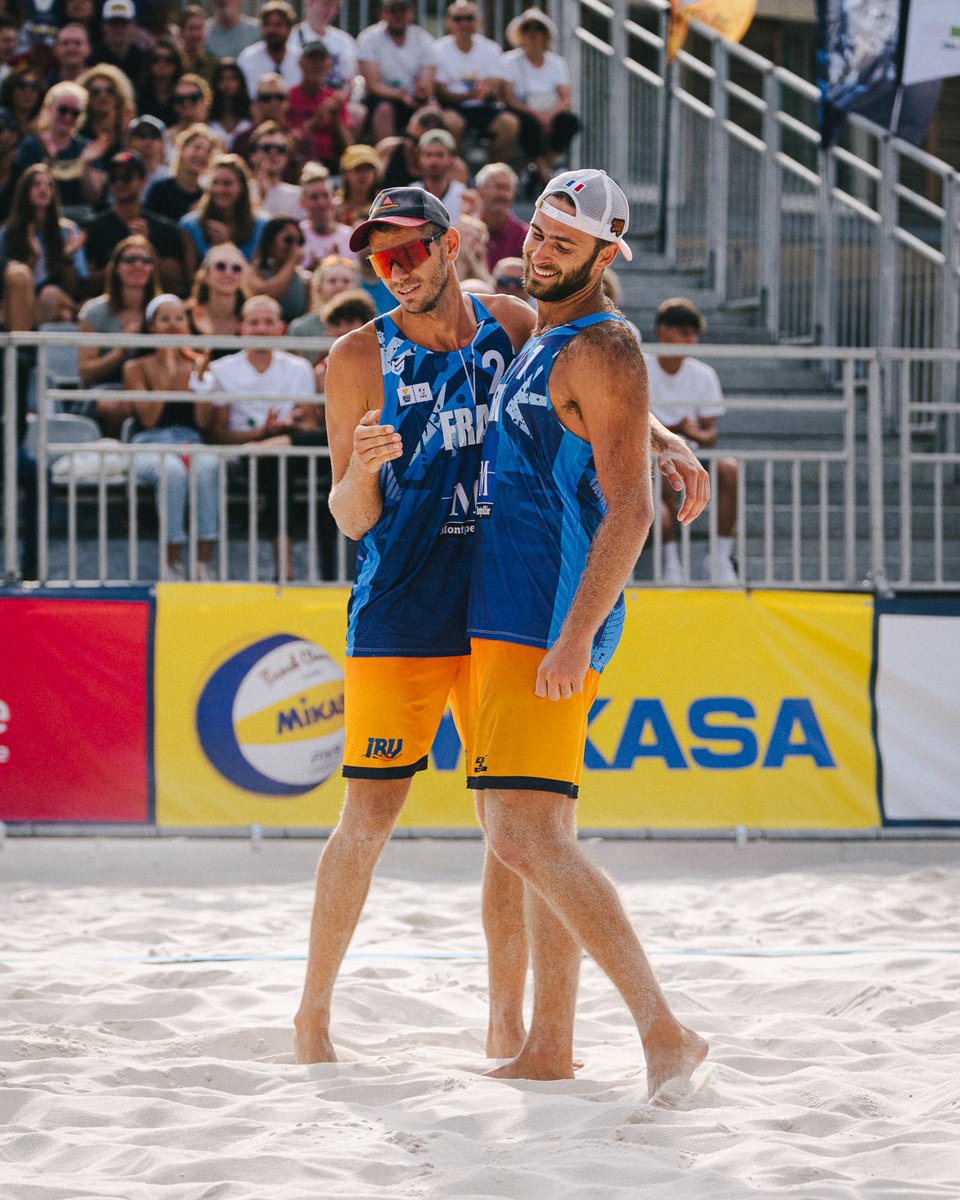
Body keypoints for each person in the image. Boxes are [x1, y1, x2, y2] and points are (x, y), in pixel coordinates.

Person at [292, 184, 710, 1065]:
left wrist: (661, 439)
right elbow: (348, 515)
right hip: (404, 601)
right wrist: (363, 471)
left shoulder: (515, 319)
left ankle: (525, 1032)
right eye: (380, 257)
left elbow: (596, 383)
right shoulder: (356, 357)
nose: (396, 270)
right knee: (377, 819)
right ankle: (312, 1017)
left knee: (515, 834)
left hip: (503, 598)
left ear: (451, 247)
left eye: (410, 250)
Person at [466, 169, 709, 1092]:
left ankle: (665, 1031)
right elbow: (593, 413)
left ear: (608, 257)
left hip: (548, 616)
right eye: (536, 232)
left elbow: (629, 515)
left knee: (528, 835)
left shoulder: (604, 344)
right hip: (508, 608)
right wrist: (661, 431)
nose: (538, 251)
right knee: (523, 832)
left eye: (562, 244)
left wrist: (575, 636)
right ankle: (549, 1046)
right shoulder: (546, 331)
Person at [191, 293, 316, 581]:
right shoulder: (222, 370)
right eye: (254, 322)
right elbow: (217, 434)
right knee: (277, 466)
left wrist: (290, 424)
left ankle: (284, 569)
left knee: (281, 463)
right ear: (241, 327)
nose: (261, 329)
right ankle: (284, 568)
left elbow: (310, 422)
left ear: (281, 328)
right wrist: (260, 434)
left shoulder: (298, 368)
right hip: (242, 455)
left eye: (268, 322)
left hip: (286, 450)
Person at [122, 292, 219, 581]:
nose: (173, 325)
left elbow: (203, 421)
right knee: (172, 472)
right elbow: (148, 418)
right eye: (165, 319)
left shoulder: (197, 363)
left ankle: (203, 563)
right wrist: (168, 368)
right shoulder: (136, 367)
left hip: (189, 439)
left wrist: (200, 375)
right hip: (148, 442)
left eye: (179, 318)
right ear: (152, 327)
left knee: (208, 466)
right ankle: (172, 561)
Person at [647, 297, 739, 584]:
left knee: (729, 469)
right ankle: (671, 562)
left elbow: (710, 434)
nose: (691, 341)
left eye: (694, 334)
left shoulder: (704, 374)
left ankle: (721, 559)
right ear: (662, 330)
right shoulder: (639, 364)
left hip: (692, 453)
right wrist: (674, 433)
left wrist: (693, 434)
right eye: (684, 333)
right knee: (665, 470)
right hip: (651, 456)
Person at [76, 232, 158, 435]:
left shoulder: (162, 310)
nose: (138, 265)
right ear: (116, 268)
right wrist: (119, 352)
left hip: (153, 386)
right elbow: (86, 372)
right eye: (130, 260)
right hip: (107, 388)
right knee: (119, 407)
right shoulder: (95, 311)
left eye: (145, 260)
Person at [82, 148, 187, 297]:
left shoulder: (165, 229)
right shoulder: (93, 228)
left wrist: (147, 247)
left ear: (143, 181)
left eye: (126, 177)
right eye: (113, 177)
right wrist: (125, 260)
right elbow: (85, 285)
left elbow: (175, 284)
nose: (119, 182)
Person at [498, 7, 580, 188]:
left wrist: (549, 115)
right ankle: (546, 176)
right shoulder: (510, 60)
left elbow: (566, 97)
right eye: (527, 28)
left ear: (545, 34)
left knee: (569, 122)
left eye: (538, 28)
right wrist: (536, 114)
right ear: (520, 33)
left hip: (549, 110)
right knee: (528, 124)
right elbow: (509, 98)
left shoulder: (557, 62)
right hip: (523, 110)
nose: (533, 34)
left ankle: (538, 168)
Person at [0, 162, 87, 332]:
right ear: (24, 191)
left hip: (57, 297)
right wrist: (33, 258)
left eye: (49, 185)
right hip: (18, 300)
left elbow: (74, 287)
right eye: (36, 184)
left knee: (50, 295)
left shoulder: (68, 231)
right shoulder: (6, 233)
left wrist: (67, 257)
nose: (43, 189)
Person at [433, 0, 519, 163]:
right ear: (448, 23)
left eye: (469, 18)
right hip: (452, 105)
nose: (464, 23)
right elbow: (441, 91)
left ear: (479, 21)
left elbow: (495, 83)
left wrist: (488, 90)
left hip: (484, 105)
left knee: (509, 124)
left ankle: (493, 171)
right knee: (452, 123)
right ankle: (455, 169)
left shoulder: (491, 48)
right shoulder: (439, 49)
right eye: (458, 18)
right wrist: (470, 94)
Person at [14, 80, 108, 217]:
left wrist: (86, 163)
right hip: (40, 215)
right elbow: (21, 193)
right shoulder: (31, 145)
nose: (68, 117)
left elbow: (93, 199)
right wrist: (45, 168)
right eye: (62, 110)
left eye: (75, 113)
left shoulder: (87, 148)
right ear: (50, 109)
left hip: (80, 216)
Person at [357, 0, 436, 142]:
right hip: (381, 98)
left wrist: (422, 92)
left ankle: (428, 156)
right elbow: (373, 85)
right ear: (383, 14)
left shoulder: (424, 39)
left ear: (411, 13)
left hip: (413, 98)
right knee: (384, 110)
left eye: (403, 11)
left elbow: (427, 80)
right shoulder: (368, 38)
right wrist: (399, 95)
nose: (398, 15)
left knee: (432, 111)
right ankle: (386, 158)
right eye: (393, 11)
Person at [179, 152, 266, 263]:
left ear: (242, 187)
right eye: (215, 183)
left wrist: (228, 247)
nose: (219, 190)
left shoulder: (262, 226)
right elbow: (191, 278)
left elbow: (257, 276)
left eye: (227, 183)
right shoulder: (190, 225)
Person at [286, 39, 351, 174]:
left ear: (329, 65)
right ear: (301, 63)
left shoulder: (335, 99)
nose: (316, 65)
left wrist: (335, 118)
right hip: (297, 162)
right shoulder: (288, 97)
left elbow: (347, 148)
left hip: (331, 163)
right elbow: (288, 142)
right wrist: (314, 123)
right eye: (311, 60)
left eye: (320, 60)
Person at [143, 121, 220, 223]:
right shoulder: (160, 190)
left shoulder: (206, 198)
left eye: (208, 151)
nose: (202, 155)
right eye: (197, 148)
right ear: (182, 149)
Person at [249, 213, 310, 323]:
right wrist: (292, 262)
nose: (294, 247)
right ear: (270, 241)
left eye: (299, 241)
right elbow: (267, 295)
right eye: (288, 240)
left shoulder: (305, 280)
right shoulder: (253, 272)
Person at [236, 1, 301, 96]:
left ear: (289, 28)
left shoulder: (300, 59)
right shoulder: (247, 58)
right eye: (267, 24)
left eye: (278, 25)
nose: (272, 30)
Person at [298, 163, 355, 267]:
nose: (321, 203)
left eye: (325, 195)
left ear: (333, 196)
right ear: (302, 202)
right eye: (314, 197)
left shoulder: (349, 236)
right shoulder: (298, 235)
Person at [476, 161, 527, 271]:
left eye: (507, 189)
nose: (502, 194)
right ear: (479, 191)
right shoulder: (466, 233)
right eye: (498, 187)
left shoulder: (524, 236)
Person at [412, 127, 466, 221]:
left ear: (452, 158)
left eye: (440, 155)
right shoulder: (410, 194)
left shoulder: (463, 195)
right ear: (419, 158)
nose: (433, 161)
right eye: (428, 155)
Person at [92, 0, 148, 90]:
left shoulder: (144, 60)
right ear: (103, 26)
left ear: (134, 26)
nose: (118, 28)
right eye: (113, 23)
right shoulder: (93, 59)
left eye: (123, 23)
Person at [248, 122, 300, 218]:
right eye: (267, 148)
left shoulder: (298, 195)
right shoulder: (244, 191)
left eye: (280, 149)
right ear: (253, 155)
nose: (273, 153)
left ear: (287, 157)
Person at [136, 33, 183, 126]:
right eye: (156, 59)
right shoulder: (138, 94)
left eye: (168, 60)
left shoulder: (183, 95)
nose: (162, 64)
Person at [206, 58, 252, 150]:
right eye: (222, 79)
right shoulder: (207, 116)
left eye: (232, 78)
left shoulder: (252, 114)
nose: (227, 84)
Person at [334, 142, 381, 227]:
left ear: (375, 173)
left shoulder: (383, 206)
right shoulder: (334, 208)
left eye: (368, 169)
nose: (363, 174)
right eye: (357, 169)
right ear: (345, 173)